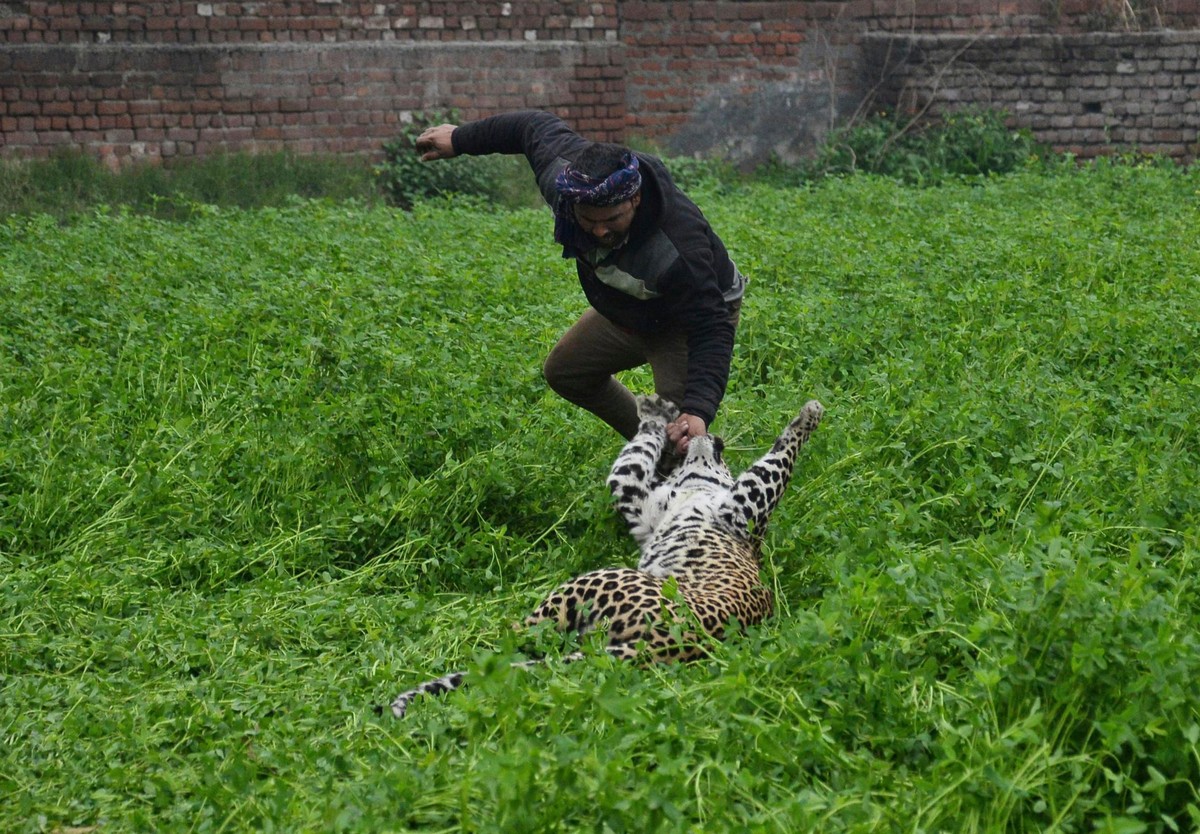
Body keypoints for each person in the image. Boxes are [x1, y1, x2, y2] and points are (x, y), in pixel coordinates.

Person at [415, 110, 746, 456]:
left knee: (682, 439)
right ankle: (653, 445)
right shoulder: (566, 185)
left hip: (687, 320)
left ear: (634, 199)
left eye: (612, 219)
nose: (600, 231)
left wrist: (698, 409)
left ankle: (688, 479)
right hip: (632, 306)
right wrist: (458, 139)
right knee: (566, 371)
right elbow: (530, 127)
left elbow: (711, 326)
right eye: (588, 220)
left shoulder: (678, 250)